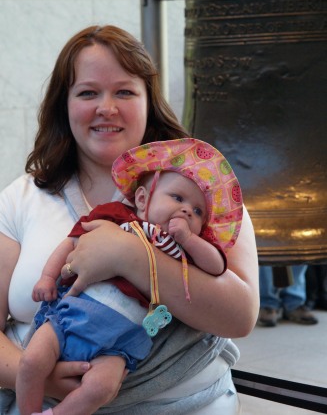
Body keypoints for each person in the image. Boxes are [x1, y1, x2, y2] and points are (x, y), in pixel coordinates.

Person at [0, 24, 259, 415]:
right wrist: (35, 372)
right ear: (63, 105)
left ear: (148, 101)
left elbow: (240, 316)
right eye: (88, 92)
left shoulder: (203, 192)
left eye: (124, 91)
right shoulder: (20, 198)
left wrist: (128, 256)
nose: (107, 107)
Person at [16, 137, 241, 415]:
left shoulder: (182, 252)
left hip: (121, 339)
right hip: (72, 314)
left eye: (197, 211)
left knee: (102, 389)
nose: (186, 210)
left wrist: (190, 240)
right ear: (144, 199)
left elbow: (217, 266)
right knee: (31, 363)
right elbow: (71, 242)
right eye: (177, 198)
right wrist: (47, 278)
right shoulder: (116, 217)